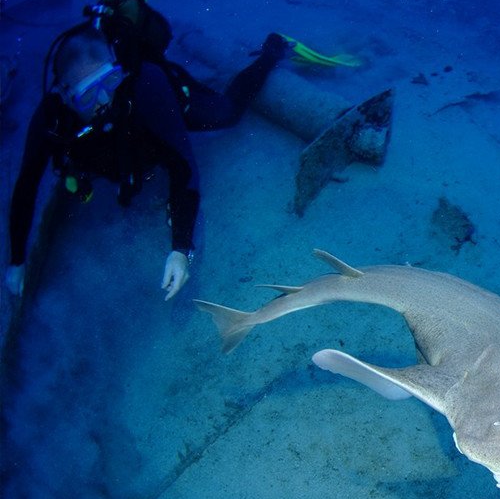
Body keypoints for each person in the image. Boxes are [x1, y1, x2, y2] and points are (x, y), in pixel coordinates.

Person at [5, 23, 290, 300]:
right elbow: (26, 186)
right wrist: (17, 260)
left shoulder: (145, 82)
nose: (104, 100)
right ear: (66, 97)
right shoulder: (50, 121)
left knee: (226, 113)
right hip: (116, 149)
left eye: (110, 82)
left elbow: (183, 164)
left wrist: (180, 249)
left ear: (118, 70)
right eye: (89, 95)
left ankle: (271, 54)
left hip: (156, 115)